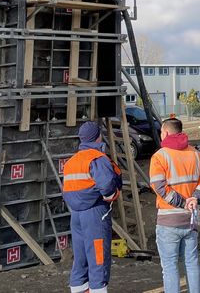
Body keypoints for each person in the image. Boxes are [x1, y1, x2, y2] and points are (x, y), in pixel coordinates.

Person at [150, 118, 200, 293]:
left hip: (169, 220)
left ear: (166, 133)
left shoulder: (159, 156)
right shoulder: (197, 154)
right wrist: (195, 197)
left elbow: (160, 188)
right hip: (191, 218)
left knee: (169, 267)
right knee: (191, 262)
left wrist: (183, 202)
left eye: (161, 132)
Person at [62, 121, 122, 293]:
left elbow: (67, 191)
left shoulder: (71, 162)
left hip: (76, 215)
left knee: (80, 259)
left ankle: (79, 289)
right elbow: (108, 186)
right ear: (99, 137)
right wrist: (111, 196)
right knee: (98, 259)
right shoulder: (97, 158)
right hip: (96, 215)